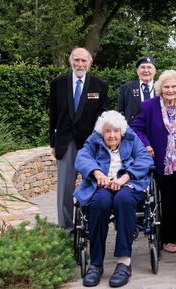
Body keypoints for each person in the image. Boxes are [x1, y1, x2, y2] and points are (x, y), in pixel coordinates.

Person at [74, 111, 153, 287]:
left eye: (115, 131)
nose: (112, 135)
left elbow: (145, 158)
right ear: (102, 132)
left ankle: (124, 262)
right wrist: (97, 172)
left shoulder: (131, 138)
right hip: (102, 185)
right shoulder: (94, 139)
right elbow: (82, 157)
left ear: (121, 132)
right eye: (108, 131)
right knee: (99, 202)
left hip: (128, 184)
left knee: (123, 200)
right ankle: (95, 263)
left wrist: (125, 177)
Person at [130, 70, 176, 253]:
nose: (170, 90)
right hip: (163, 161)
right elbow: (135, 128)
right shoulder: (149, 106)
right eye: (166, 86)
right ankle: (168, 239)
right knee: (167, 200)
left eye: (173, 86)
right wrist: (146, 145)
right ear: (160, 88)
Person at [49, 47, 108, 231]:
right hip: (65, 143)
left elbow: (103, 115)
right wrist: (53, 142)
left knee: (92, 186)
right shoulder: (58, 83)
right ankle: (66, 229)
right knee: (65, 191)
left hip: (90, 145)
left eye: (84, 61)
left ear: (90, 63)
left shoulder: (100, 86)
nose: (80, 64)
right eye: (77, 60)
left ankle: (89, 228)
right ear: (70, 61)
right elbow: (53, 114)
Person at [117, 56, 157, 124]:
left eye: (149, 67)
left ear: (155, 71)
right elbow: (120, 112)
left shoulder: (162, 88)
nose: (146, 70)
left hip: (156, 130)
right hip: (133, 131)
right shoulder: (126, 88)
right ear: (137, 71)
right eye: (142, 67)